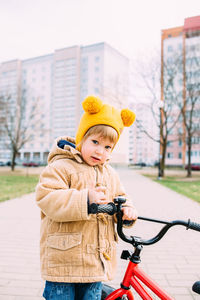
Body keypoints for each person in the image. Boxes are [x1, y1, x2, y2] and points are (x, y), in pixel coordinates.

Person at [36, 95, 138, 300]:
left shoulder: (110, 174)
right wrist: (84, 200)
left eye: (108, 147)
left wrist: (127, 211)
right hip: (64, 263)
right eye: (95, 142)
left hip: (95, 263)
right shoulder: (61, 166)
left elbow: (121, 197)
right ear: (82, 137)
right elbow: (47, 197)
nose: (100, 151)